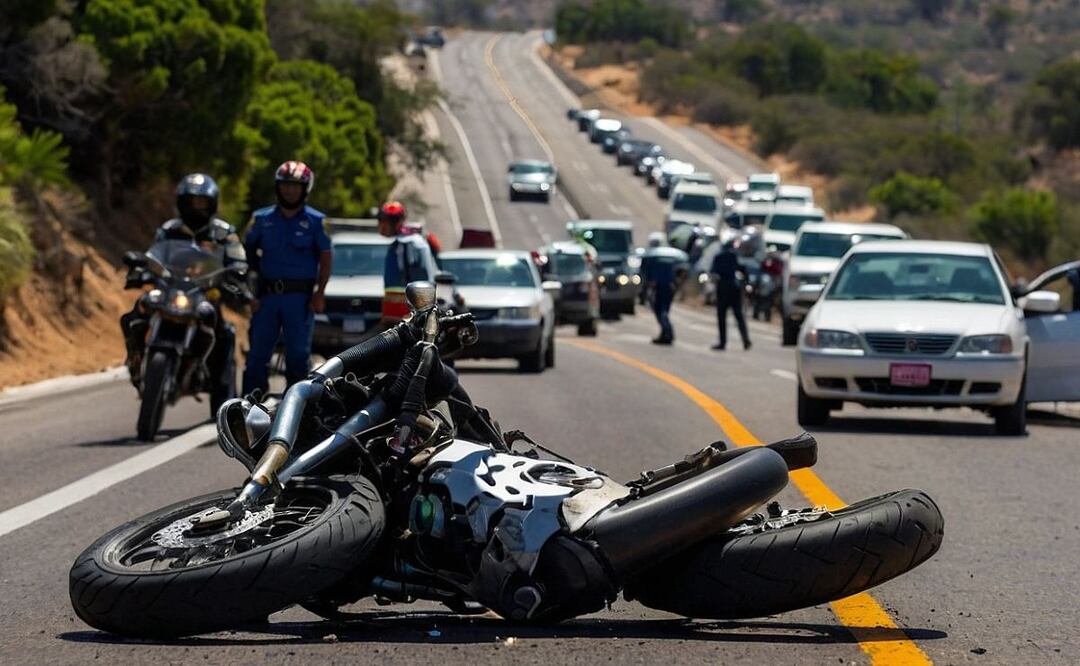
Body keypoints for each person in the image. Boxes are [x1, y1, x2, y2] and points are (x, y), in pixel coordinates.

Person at [120, 173, 247, 412]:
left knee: (223, 334)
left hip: (205, 294)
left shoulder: (223, 232)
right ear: (181, 203)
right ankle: (135, 358)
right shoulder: (169, 230)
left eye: (202, 203)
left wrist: (235, 277)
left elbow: (238, 260)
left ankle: (224, 403)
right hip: (170, 290)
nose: (196, 208)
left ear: (212, 204)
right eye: (191, 202)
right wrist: (142, 271)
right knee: (138, 312)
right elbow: (153, 256)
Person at [241, 161, 332, 397]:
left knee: (298, 358)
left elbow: (325, 258)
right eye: (285, 185)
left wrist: (319, 293)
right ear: (277, 187)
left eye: (295, 186)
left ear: (305, 188)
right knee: (257, 356)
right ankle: (249, 408)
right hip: (267, 298)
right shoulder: (260, 219)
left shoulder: (317, 222)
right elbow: (245, 256)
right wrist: (250, 292)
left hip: (299, 301)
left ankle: (298, 411)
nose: (290, 190)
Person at [379, 200, 436, 321]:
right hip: (395, 317)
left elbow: (421, 282)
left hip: (406, 318)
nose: (380, 225)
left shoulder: (410, 245)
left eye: (382, 221)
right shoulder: (404, 243)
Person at [640, 231, 688, 345]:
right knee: (665, 309)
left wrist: (645, 288)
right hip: (671, 287)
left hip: (658, 286)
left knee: (660, 310)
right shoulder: (676, 255)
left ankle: (668, 332)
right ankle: (664, 333)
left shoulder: (651, 255)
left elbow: (644, 272)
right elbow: (683, 270)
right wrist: (678, 284)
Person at [710, 237, 751, 351]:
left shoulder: (718, 257)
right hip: (734, 287)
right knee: (738, 315)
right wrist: (746, 283)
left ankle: (723, 342)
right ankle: (745, 339)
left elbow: (713, 272)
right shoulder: (735, 256)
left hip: (723, 287)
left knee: (722, 316)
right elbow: (743, 269)